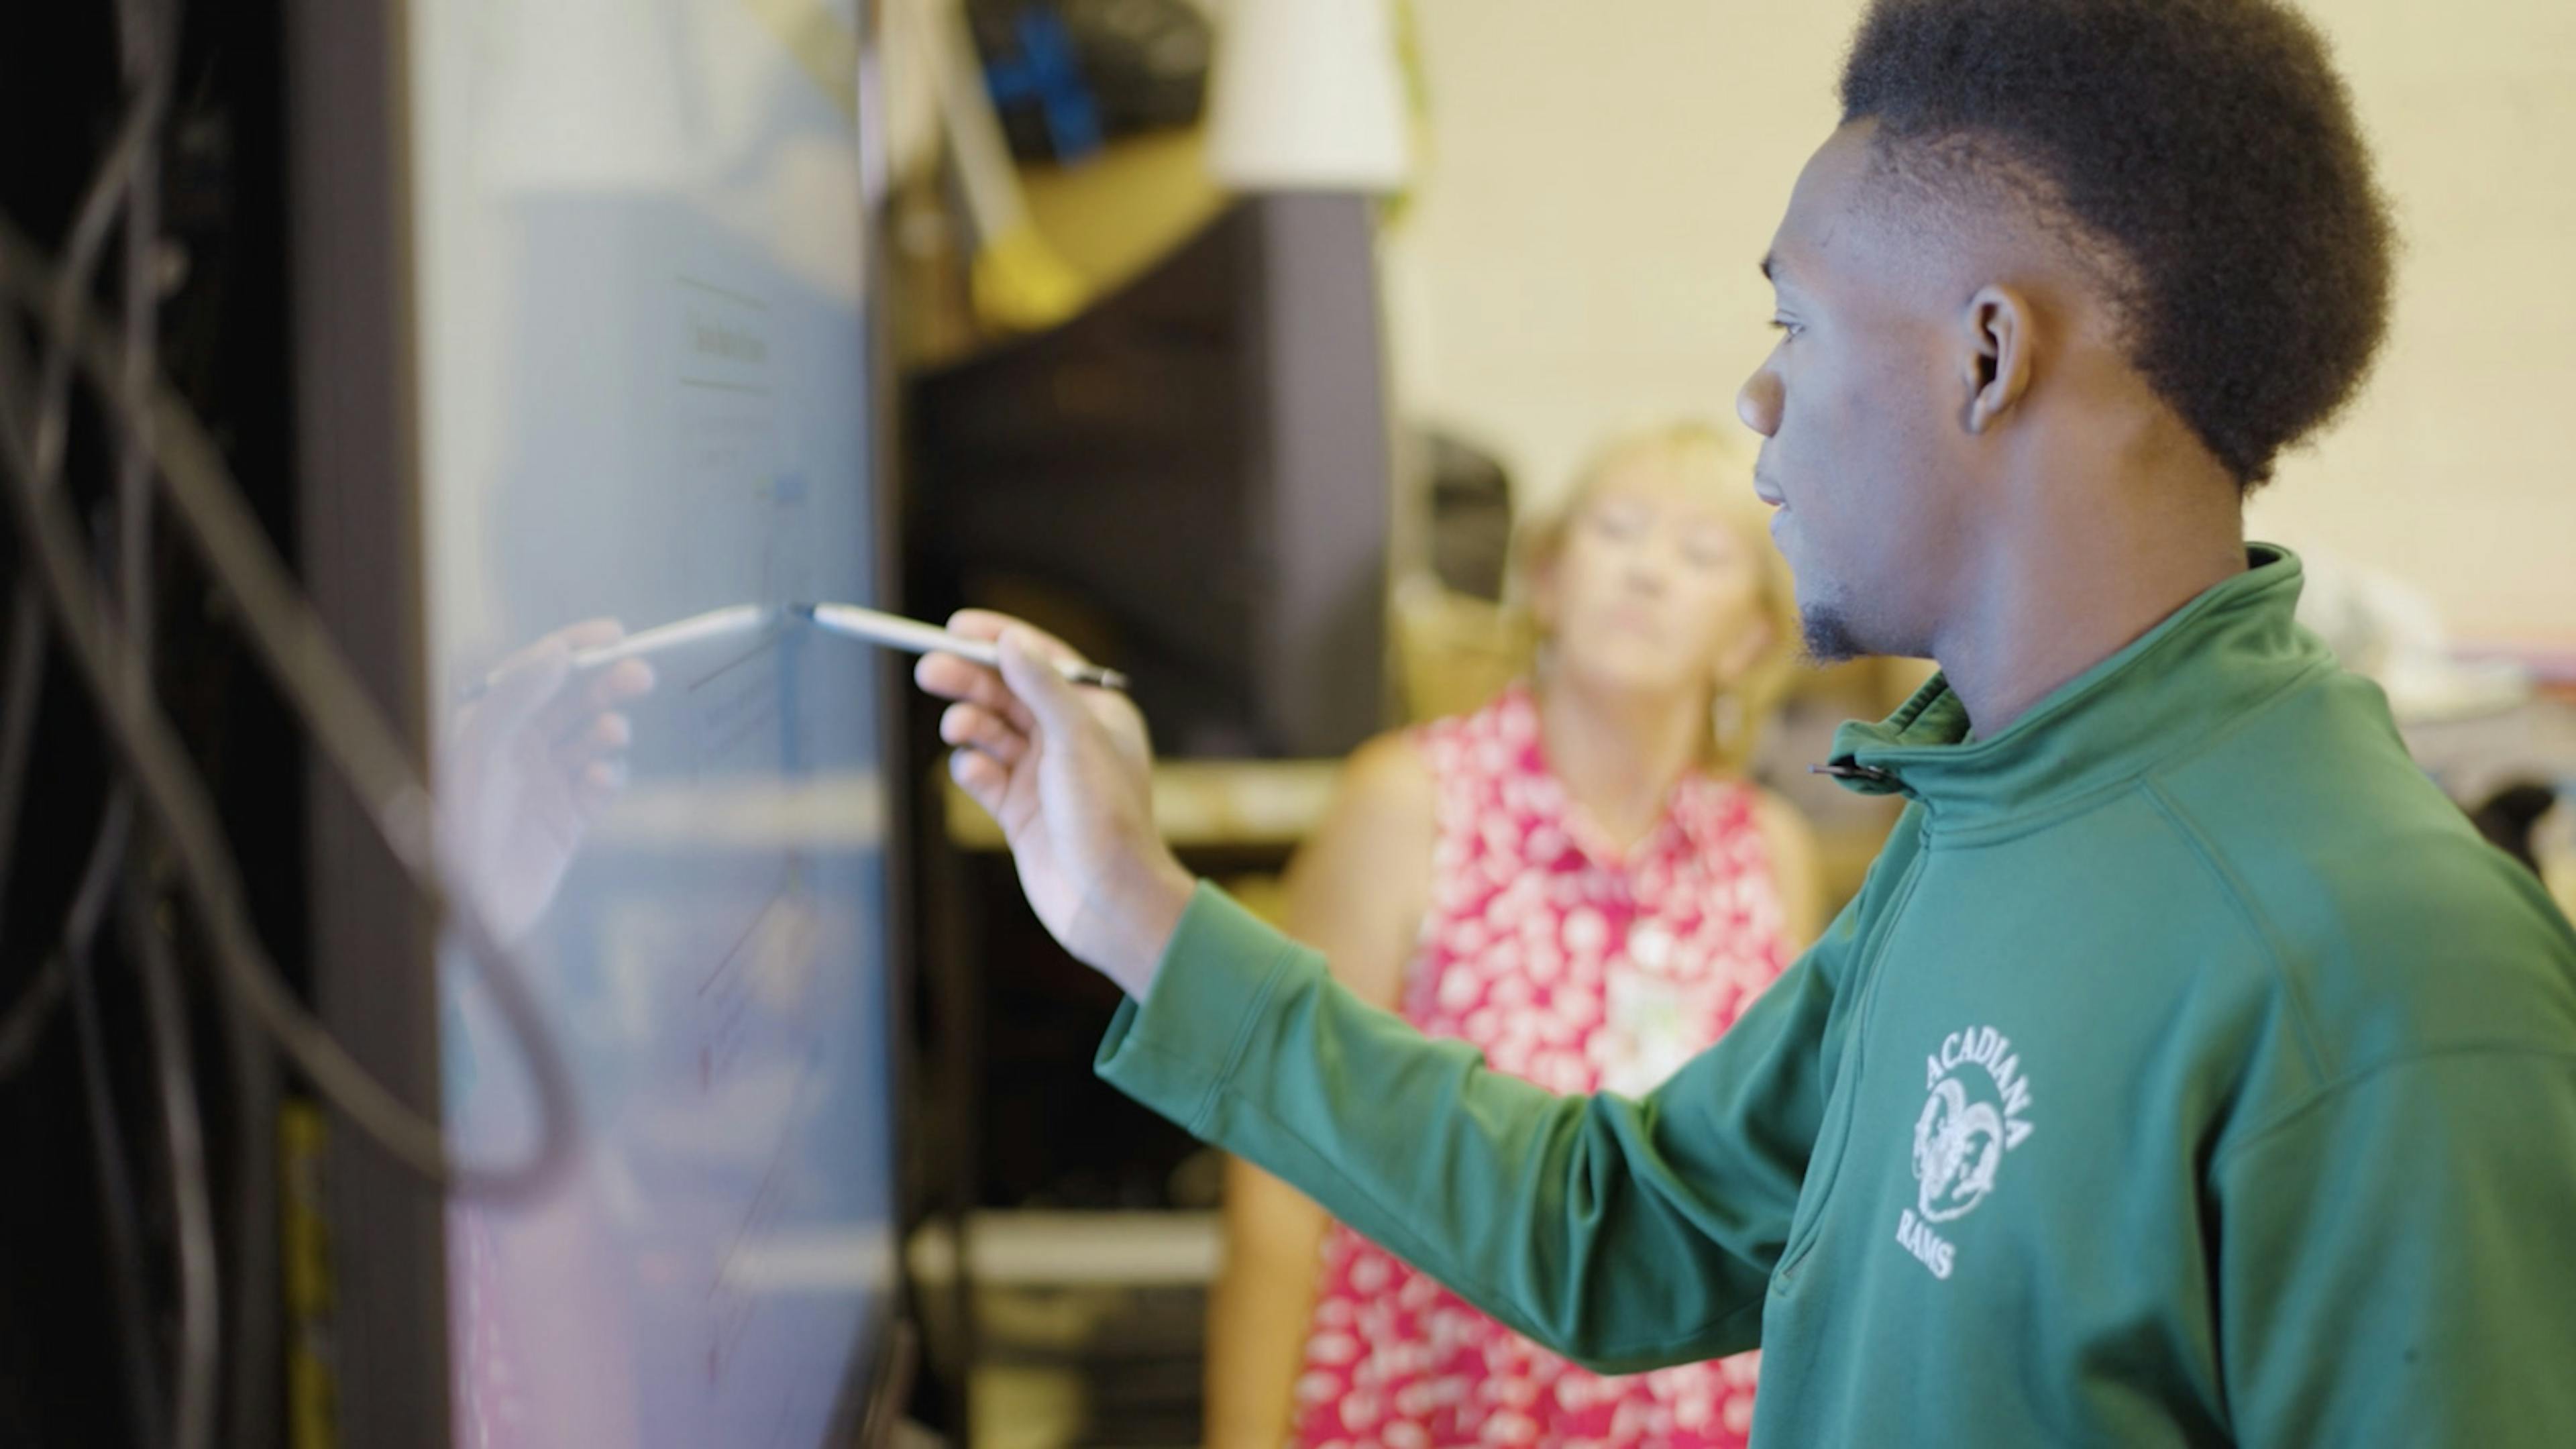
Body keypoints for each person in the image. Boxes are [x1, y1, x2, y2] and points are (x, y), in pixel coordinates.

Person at [916, 0, 2576, 1441]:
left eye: (1793, 321)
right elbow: (1617, 1226)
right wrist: (1133, 909)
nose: (1755, 399)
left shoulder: (2383, 967)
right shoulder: (1982, 821)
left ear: (1988, 355)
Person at [1207, 426, 1819, 1449]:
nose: (1648, 570)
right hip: (1435, 1408)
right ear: (1546, 577)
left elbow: (1782, 1199)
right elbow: (1280, 1162)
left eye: (1701, 552)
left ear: (1752, 636)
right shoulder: (1409, 802)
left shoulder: (1772, 853)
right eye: (1617, 530)